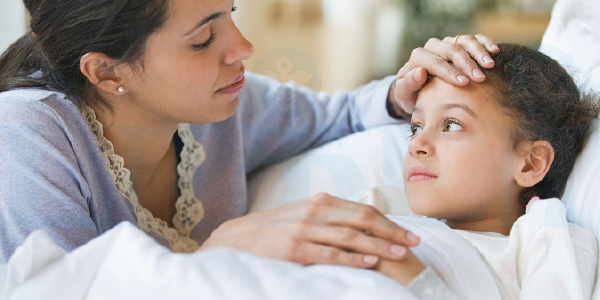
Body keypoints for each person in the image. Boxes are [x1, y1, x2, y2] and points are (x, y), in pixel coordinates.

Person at [0, 0, 498, 265]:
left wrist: (404, 91)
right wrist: (226, 249)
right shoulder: (29, 137)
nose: (243, 47)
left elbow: (341, 115)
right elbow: (60, 288)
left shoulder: (227, 108)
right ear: (107, 72)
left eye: (231, 13)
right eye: (202, 40)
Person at [369, 43, 599, 298]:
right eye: (416, 128)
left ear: (530, 163)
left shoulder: (543, 240)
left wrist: (419, 283)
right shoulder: (383, 204)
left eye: (452, 125)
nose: (416, 145)